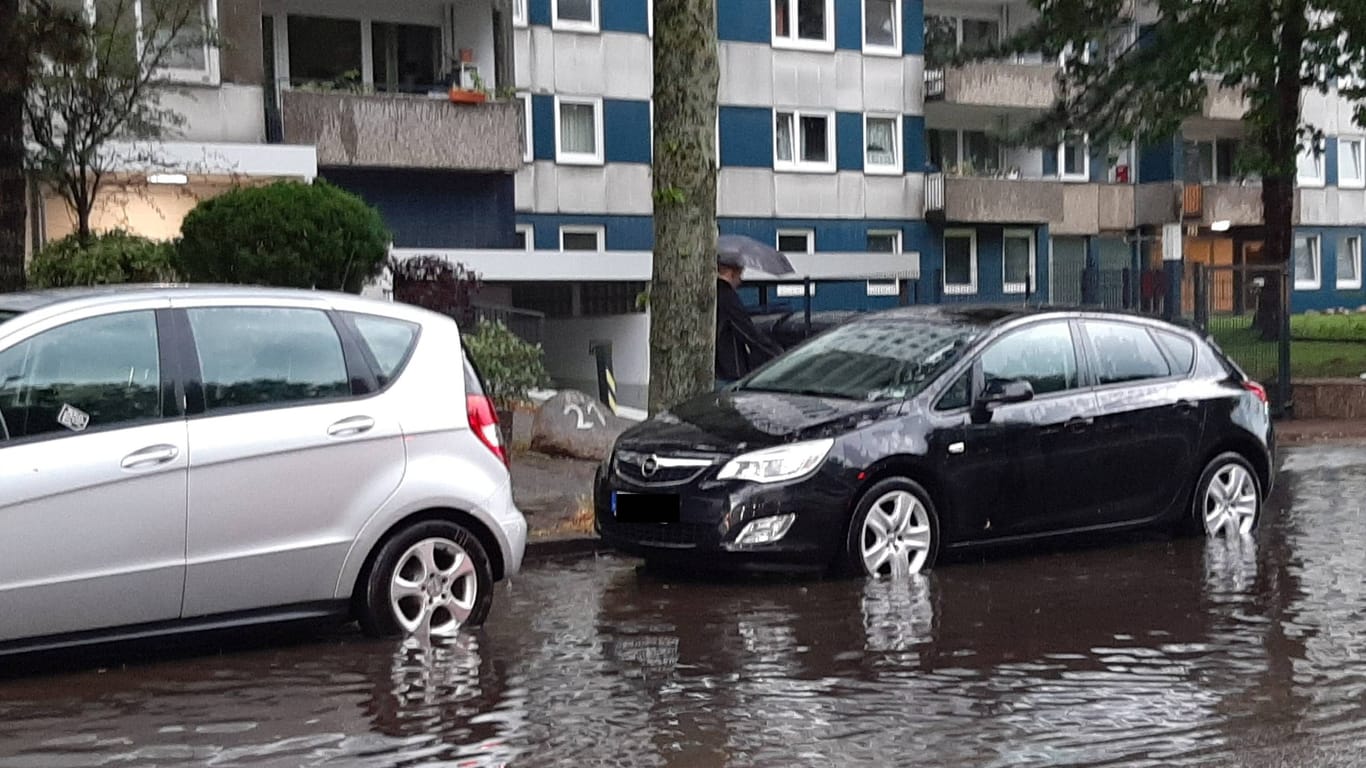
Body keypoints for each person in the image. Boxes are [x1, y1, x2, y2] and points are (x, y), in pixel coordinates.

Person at [715, 257, 783, 390]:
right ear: (731, 273)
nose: (740, 280)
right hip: (728, 369)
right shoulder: (727, 297)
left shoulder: (710, 292)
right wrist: (778, 354)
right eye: (740, 274)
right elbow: (748, 332)